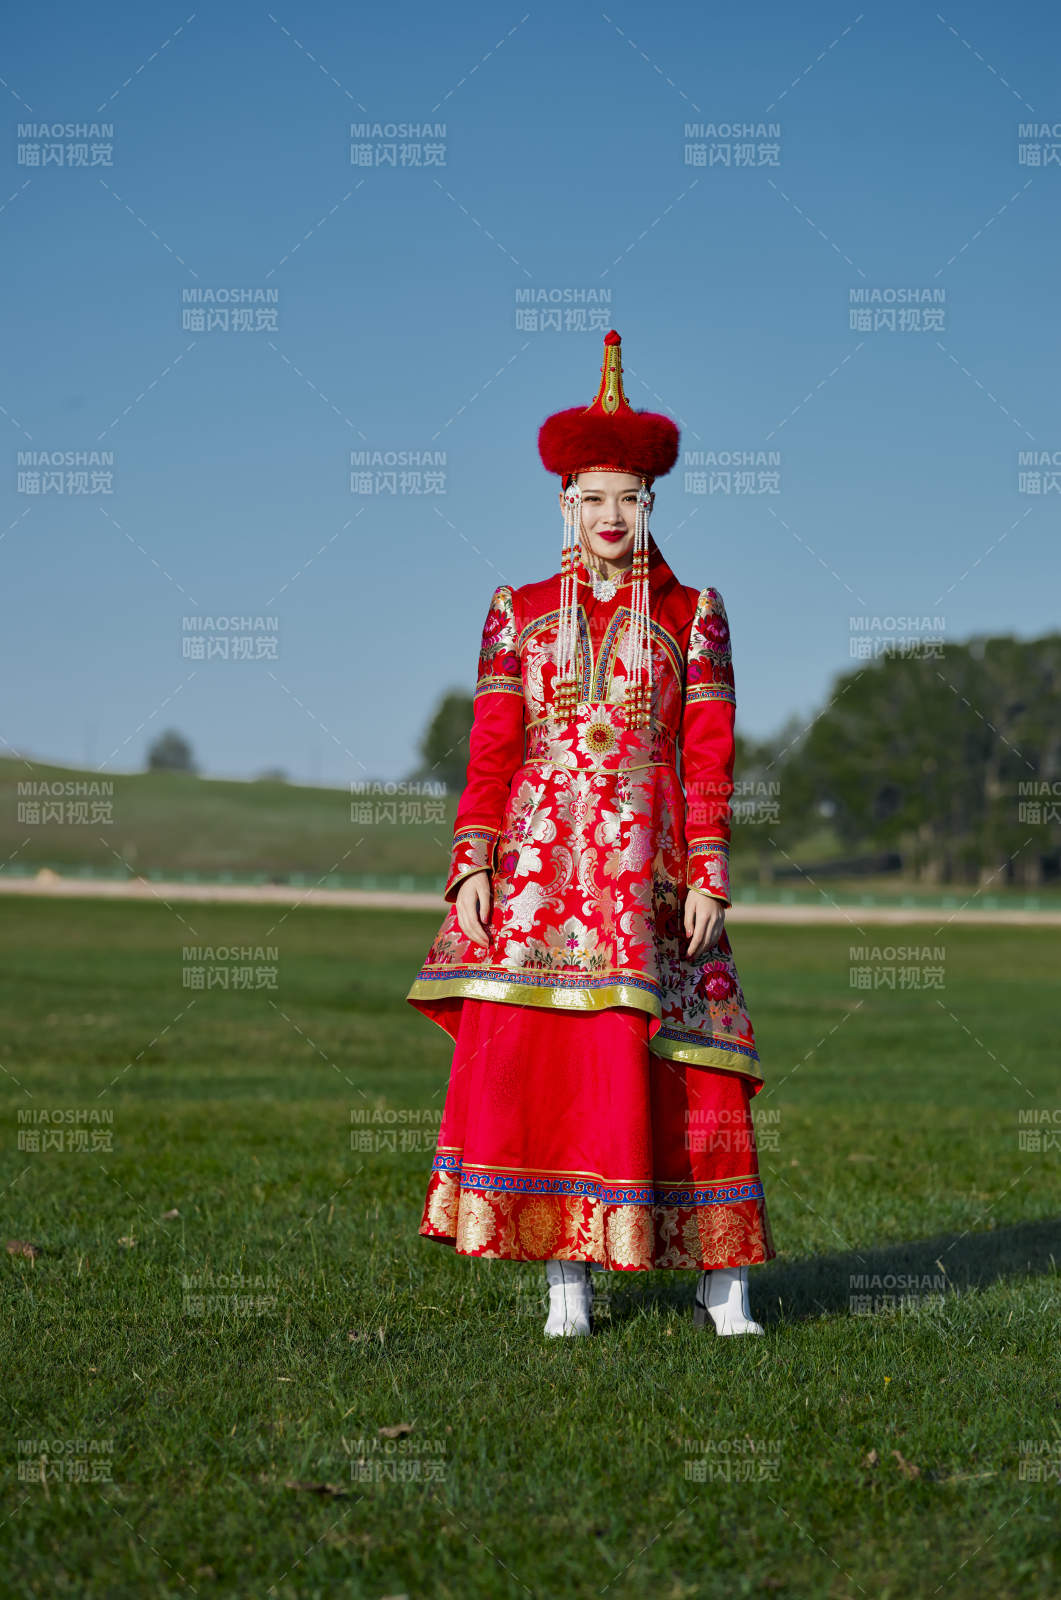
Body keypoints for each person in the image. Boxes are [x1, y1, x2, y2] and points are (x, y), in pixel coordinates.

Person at [406, 329, 775, 1337]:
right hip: (539, 874)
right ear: (563, 504)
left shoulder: (693, 613)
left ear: (650, 503)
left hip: (652, 872)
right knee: (550, 1066)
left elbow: (708, 752)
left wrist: (709, 869)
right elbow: (492, 749)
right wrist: (472, 862)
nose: (611, 517)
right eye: (592, 498)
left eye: (629, 499)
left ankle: (723, 1283)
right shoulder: (515, 612)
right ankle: (565, 1276)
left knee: (691, 1062)